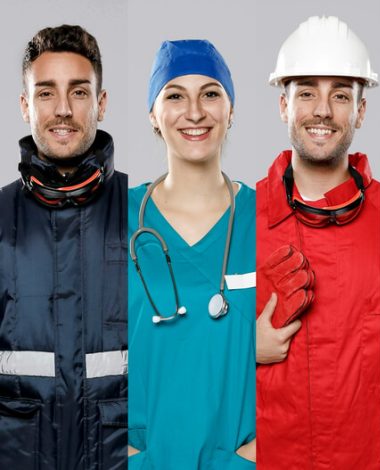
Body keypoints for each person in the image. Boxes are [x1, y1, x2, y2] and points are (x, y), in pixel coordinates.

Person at [255, 16, 380, 469]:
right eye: (307, 91)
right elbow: (177, 350)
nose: (323, 110)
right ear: (284, 106)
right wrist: (237, 348)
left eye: (341, 95)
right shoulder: (236, 219)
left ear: (361, 112)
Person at [0, 24, 127, 470]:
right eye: (45, 93)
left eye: (78, 92)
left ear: (101, 102)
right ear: (24, 105)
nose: (62, 110)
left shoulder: (148, 212)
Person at [126, 40, 255, 469]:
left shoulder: (267, 217)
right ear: (153, 114)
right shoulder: (116, 218)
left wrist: (261, 449)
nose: (195, 112)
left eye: (211, 94)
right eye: (175, 95)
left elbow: (316, 350)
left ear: (231, 110)